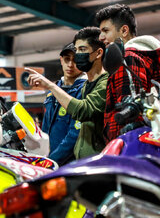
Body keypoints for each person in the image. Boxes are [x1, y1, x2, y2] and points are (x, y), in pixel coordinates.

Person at [95, 3, 160, 143]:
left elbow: (127, 113)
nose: (101, 37)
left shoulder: (127, 57)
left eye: (106, 31)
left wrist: (119, 144)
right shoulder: (149, 55)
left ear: (124, 31)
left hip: (131, 143)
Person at [27, 27, 108, 160]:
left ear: (98, 53)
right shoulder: (55, 93)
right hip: (71, 161)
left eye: (81, 50)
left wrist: (52, 161)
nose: (72, 63)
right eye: (76, 51)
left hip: (83, 163)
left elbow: (82, 113)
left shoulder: (103, 83)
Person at [41, 42, 87, 165]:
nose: (70, 65)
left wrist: (51, 160)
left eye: (76, 60)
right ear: (61, 60)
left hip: (71, 164)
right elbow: (44, 129)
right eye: (67, 59)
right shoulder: (53, 90)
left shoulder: (85, 90)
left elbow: (75, 135)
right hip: (48, 160)